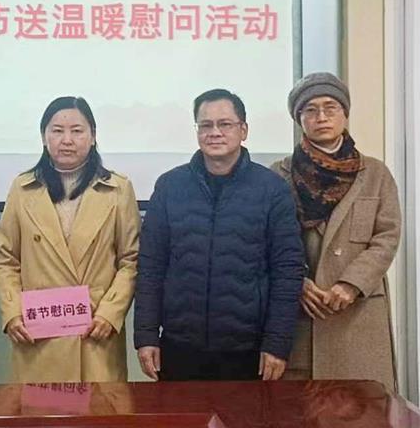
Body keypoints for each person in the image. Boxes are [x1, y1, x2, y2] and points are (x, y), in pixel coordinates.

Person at [134, 88, 303, 382]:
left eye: (225, 124)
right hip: (179, 346)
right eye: (205, 125)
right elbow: (151, 266)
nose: (214, 132)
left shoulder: (272, 189)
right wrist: (146, 334)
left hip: (249, 350)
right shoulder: (170, 186)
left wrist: (277, 342)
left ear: (243, 130)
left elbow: (287, 271)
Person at [0, 96, 140, 383]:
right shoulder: (23, 188)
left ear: (93, 136)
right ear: (44, 137)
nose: (67, 140)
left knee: (99, 408)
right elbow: (6, 259)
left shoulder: (118, 189)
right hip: (38, 333)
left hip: (95, 332)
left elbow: (130, 261)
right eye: (57, 131)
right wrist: (11, 313)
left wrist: (110, 313)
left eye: (77, 130)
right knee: (41, 408)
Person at [270, 72, 400, 390]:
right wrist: (296, 283)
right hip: (303, 317)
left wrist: (352, 283)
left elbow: (387, 236)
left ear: (345, 113)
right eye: (310, 110)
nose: (322, 117)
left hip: (358, 317)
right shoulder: (278, 175)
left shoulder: (376, 173)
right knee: (301, 408)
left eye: (331, 107)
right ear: (299, 118)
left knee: (365, 408)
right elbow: (265, 242)